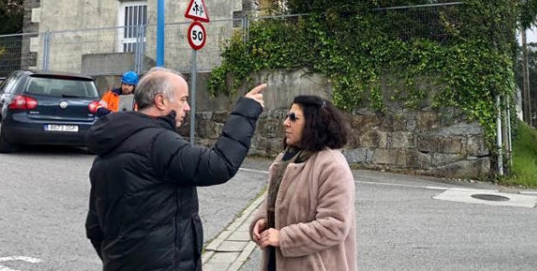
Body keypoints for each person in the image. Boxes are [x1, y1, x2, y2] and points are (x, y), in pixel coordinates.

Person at [85, 68, 265, 271]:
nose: (187, 107)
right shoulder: (160, 142)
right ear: (161, 101)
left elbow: (94, 226)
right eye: (183, 100)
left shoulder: (108, 148)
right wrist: (246, 112)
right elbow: (219, 165)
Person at [250, 95, 357, 271]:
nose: (285, 123)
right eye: (287, 116)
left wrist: (283, 238)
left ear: (312, 123)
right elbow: (273, 200)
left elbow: (335, 225)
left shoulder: (332, 166)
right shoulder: (285, 159)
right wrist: (262, 219)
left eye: (293, 118)